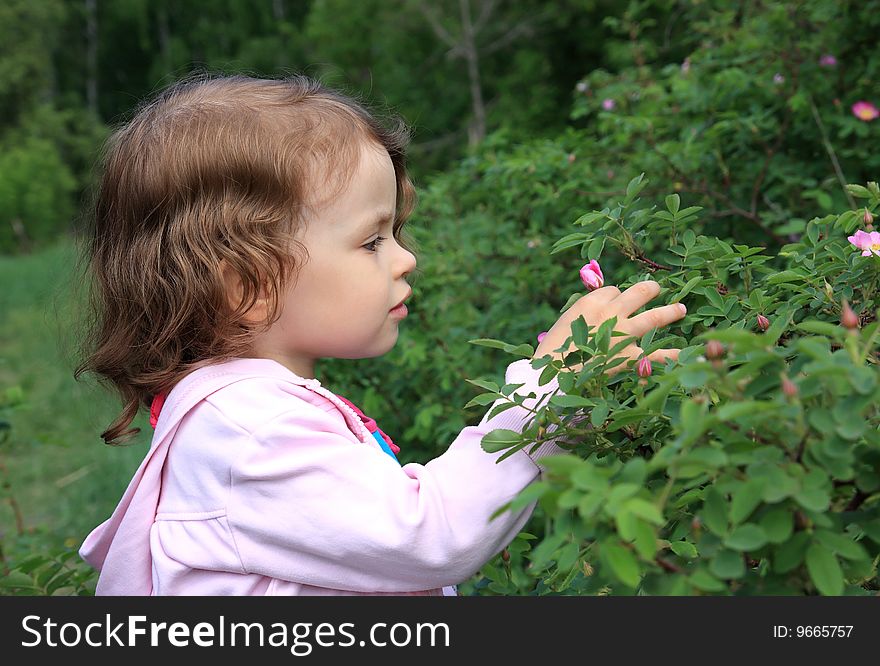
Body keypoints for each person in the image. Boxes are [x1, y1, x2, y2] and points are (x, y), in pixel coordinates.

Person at [75, 74, 686, 596]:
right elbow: (428, 536)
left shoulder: (251, 413)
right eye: (372, 241)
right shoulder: (248, 431)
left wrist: (580, 403)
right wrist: (551, 390)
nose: (404, 260)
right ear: (247, 287)